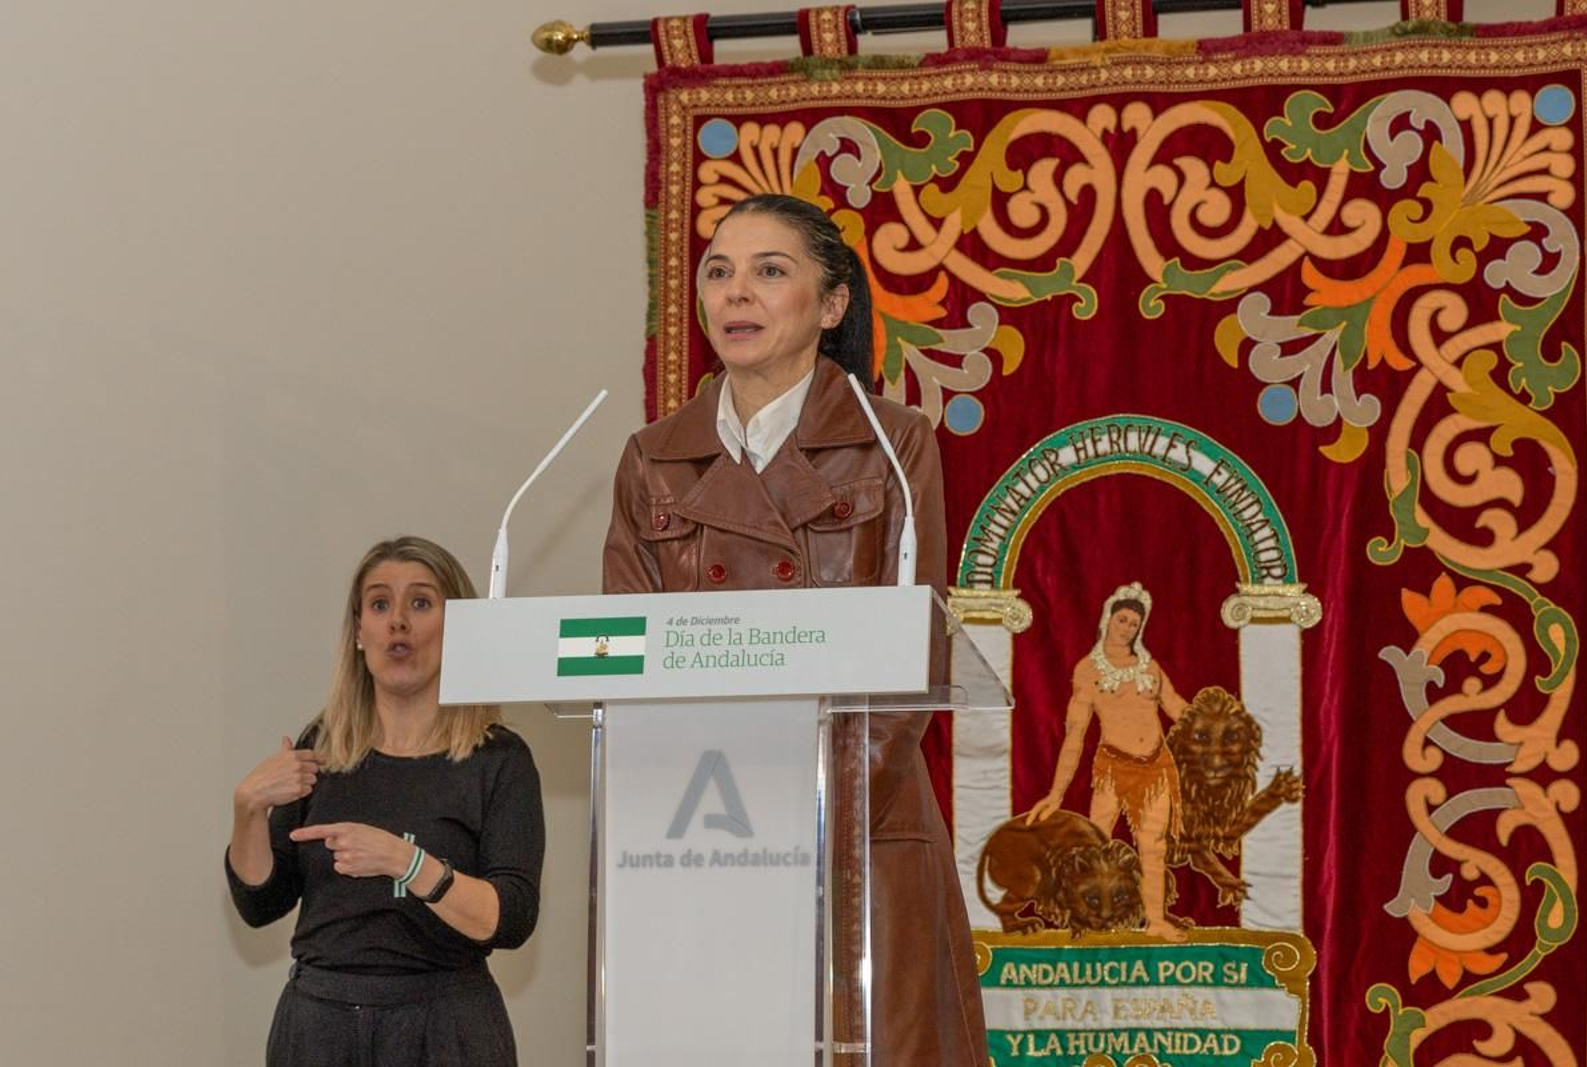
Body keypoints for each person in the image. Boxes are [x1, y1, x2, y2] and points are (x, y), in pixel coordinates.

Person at [602, 193, 986, 1064]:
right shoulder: (652, 458)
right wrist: (719, 822)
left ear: (832, 303)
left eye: (769, 271)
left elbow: (910, 661)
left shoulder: (895, 444)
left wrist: (806, 818)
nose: (736, 292)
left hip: (861, 830)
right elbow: (628, 664)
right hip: (699, 836)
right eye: (718, 272)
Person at [226, 536, 545, 1067]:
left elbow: (511, 918)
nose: (398, 622)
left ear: (458, 626)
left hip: (445, 1025)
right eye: (379, 604)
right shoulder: (322, 747)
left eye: (420, 603)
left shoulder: (499, 759)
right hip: (319, 1027)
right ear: (358, 632)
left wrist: (408, 862)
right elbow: (261, 903)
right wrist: (248, 810)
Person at [1024, 581, 1189, 940]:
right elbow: (1075, 736)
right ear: (1108, 618)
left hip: (1156, 767)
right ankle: (1086, 919)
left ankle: (1156, 921)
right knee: (1096, 844)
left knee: (1153, 846)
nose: (1127, 627)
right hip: (1113, 768)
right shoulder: (1088, 671)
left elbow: (1177, 707)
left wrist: (1211, 721)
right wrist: (1056, 793)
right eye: (1122, 619)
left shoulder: (1149, 666)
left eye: (1134, 623)